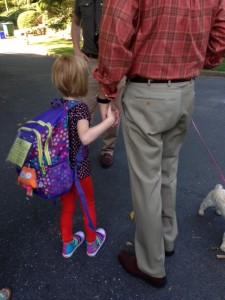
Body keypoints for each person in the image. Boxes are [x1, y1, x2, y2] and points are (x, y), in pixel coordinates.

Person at [93, 1, 225, 287]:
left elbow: (115, 34)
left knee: (146, 182)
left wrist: (107, 90)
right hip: (186, 90)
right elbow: (219, 36)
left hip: (147, 93)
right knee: (168, 171)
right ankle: (166, 240)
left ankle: (152, 265)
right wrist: (197, 61)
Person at [51, 54, 117, 258]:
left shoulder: (56, 105)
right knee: (88, 203)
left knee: (68, 207)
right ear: (81, 82)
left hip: (61, 169)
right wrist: (108, 122)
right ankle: (91, 242)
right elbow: (85, 137)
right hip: (80, 169)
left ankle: (68, 244)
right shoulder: (80, 109)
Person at [71, 0, 123, 168]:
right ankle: (79, 146)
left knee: (112, 108)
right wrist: (76, 50)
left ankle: (108, 150)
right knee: (84, 107)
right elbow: (75, 22)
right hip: (90, 61)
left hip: (114, 61)